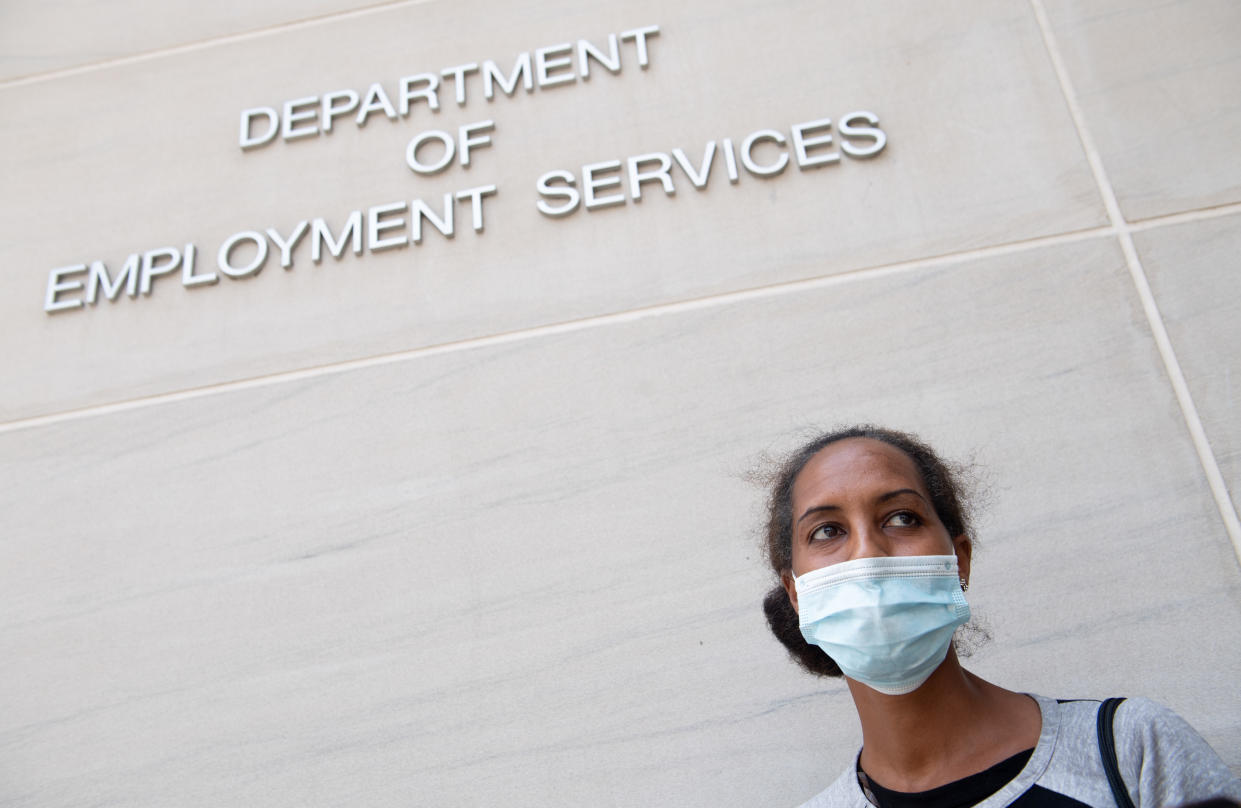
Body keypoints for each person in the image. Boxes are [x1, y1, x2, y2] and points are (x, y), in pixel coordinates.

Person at [760, 425, 1241, 808]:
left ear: (959, 560)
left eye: (901, 518)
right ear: (796, 592)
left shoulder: (1128, 747)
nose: (867, 555)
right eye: (826, 531)